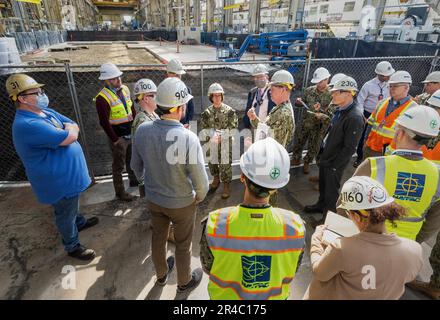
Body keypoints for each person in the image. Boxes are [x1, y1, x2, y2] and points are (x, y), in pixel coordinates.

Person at [200, 137, 306, 300]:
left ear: (243, 177)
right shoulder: (295, 227)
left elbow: (208, 267)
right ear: (276, 187)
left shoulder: (214, 224)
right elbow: (294, 268)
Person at [131, 77, 209, 294]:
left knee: (158, 237)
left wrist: (151, 185)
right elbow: (202, 183)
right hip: (182, 202)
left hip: (155, 199)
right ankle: (184, 282)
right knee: (183, 244)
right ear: (180, 107)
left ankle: (162, 275)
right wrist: (198, 197)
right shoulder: (188, 138)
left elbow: (135, 166)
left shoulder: (142, 130)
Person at [8, 74, 98, 260]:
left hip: (66, 178)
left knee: (71, 206)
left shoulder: (44, 112)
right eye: (37, 92)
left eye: (41, 91)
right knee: (65, 213)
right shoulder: (27, 124)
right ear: (23, 99)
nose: (42, 95)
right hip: (58, 181)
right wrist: (68, 133)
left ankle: (79, 221)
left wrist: (68, 131)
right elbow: (70, 136)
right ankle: (72, 245)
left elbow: (72, 124)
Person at [304, 176, 423, 300]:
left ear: (356, 216)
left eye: (348, 213)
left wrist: (316, 241)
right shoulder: (414, 250)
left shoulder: (341, 248)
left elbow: (320, 273)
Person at [352, 105, 440, 241]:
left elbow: (346, 204)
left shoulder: (374, 166)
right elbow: (434, 221)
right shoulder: (437, 174)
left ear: (400, 133)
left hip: (369, 240)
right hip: (407, 245)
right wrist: (414, 241)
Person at [304, 76, 364, 220]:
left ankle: (328, 219)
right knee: (324, 187)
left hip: (335, 162)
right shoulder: (341, 110)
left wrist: (336, 166)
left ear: (349, 94)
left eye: (337, 92)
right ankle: (320, 205)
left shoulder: (354, 117)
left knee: (331, 193)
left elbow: (350, 148)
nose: (333, 94)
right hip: (327, 157)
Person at [247, 69, 295, 206]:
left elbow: (273, 146)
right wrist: (254, 119)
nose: (270, 92)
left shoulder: (283, 113)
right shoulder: (280, 108)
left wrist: (254, 148)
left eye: (273, 88)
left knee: (266, 196)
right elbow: (266, 128)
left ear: (284, 89)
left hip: (271, 163)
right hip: (271, 162)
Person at [95, 62, 137, 201]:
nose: (118, 80)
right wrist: (115, 140)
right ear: (106, 81)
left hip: (130, 133)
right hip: (118, 137)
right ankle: (120, 192)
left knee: (131, 159)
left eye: (119, 77)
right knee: (118, 166)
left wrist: (136, 126)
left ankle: (133, 180)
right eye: (114, 78)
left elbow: (131, 108)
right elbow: (104, 122)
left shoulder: (125, 89)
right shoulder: (102, 98)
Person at [364, 70, 417, 159]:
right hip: (371, 148)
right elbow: (370, 124)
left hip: (391, 155)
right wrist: (365, 142)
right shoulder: (382, 102)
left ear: (406, 87)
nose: (391, 89)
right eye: (390, 86)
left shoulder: (414, 109)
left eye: (395, 86)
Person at [200, 83, 238, 199]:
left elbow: (233, 127)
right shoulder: (206, 113)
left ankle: (226, 185)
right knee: (212, 162)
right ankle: (216, 179)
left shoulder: (229, 111)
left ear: (222, 96)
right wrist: (211, 137)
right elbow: (204, 128)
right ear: (210, 97)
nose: (217, 98)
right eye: (214, 96)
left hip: (225, 143)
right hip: (212, 143)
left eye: (219, 95)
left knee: (225, 164)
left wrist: (222, 136)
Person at [291, 67, 332, 174]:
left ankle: (307, 162)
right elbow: (300, 104)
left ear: (327, 80)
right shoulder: (309, 91)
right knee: (299, 141)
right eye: (316, 82)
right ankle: (296, 158)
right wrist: (299, 103)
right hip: (305, 123)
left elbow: (331, 113)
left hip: (318, 126)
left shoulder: (332, 95)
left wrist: (321, 111)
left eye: (320, 82)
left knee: (314, 146)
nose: (317, 84)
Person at [354, 61, 394, 167]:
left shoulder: (390, 85)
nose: (388, 77)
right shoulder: (368, 85)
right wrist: (362, 115)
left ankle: (377, 159)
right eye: (386, 75)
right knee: (363, 137)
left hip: (382, 115)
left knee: (379, 136)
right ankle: (360, 158)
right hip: (367, 114)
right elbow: (360, 101)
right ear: (379, 74)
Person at [131, 78, 159, 197]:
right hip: (151, 180)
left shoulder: (153, 115)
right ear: (146, 98)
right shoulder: (143, 122)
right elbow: (140, 158)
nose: (157, 98)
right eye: (155, 95)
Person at [243, 64, 276, 129]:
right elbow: (248, 109)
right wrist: (246, 125)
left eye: (261, 76)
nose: (258, 79)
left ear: (267, 77)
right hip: (253, 126)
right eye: (256, 77)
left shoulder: (273, 92)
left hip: (267, 127)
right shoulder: (252, 92)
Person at [166, 58, 194, 128]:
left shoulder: (187, 90)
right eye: (175, 75)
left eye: (179, 75)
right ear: (168, 74)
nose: (177, 78)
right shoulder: (164, 92)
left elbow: (191, 110)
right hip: (170, 128)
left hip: (185, 126)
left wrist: (188, 123)